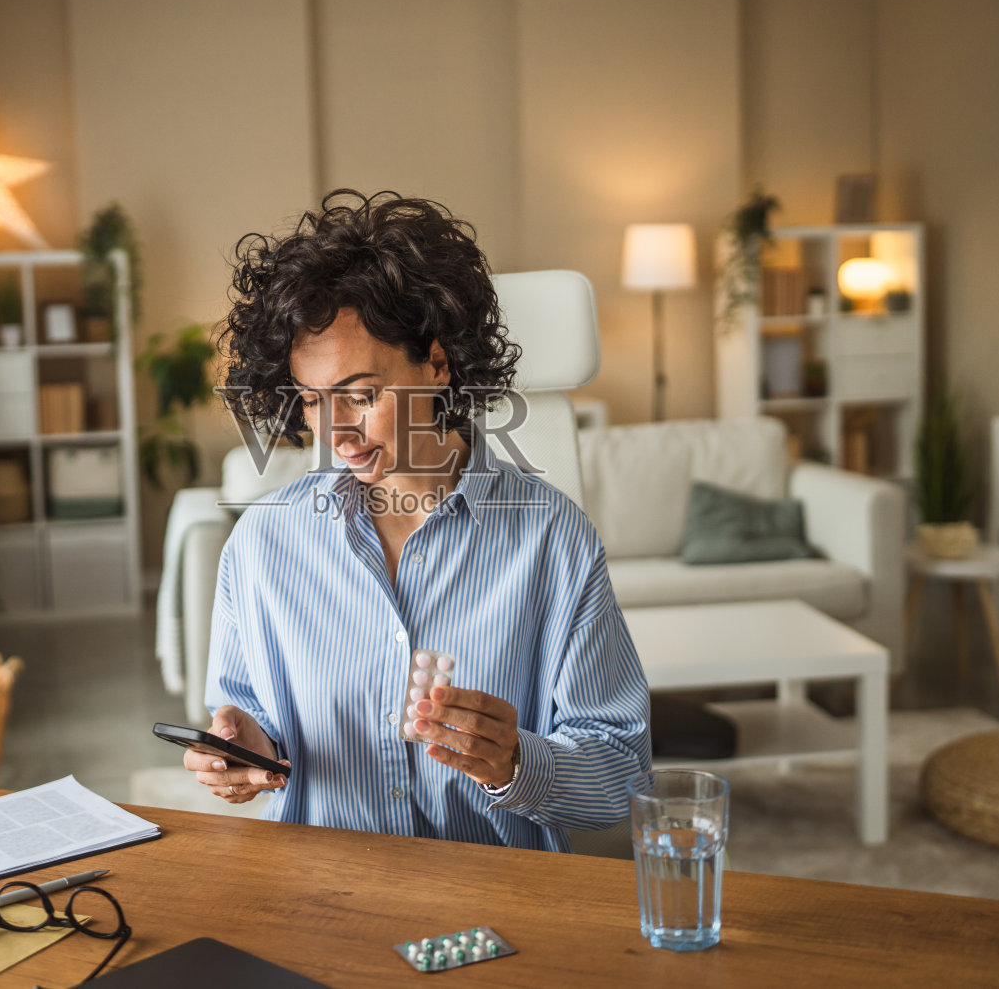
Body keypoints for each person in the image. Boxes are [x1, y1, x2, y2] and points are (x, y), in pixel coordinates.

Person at [181, 189, 650, 851]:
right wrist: (244, 751)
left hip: (493, 901)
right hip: (322, 898)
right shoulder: (263, 544)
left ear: (435, 362)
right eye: (314, 403)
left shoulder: (552, 540)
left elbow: (623, 773)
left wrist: (516, 762)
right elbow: (249, 723)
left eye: (361, 394)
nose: (337, 432)